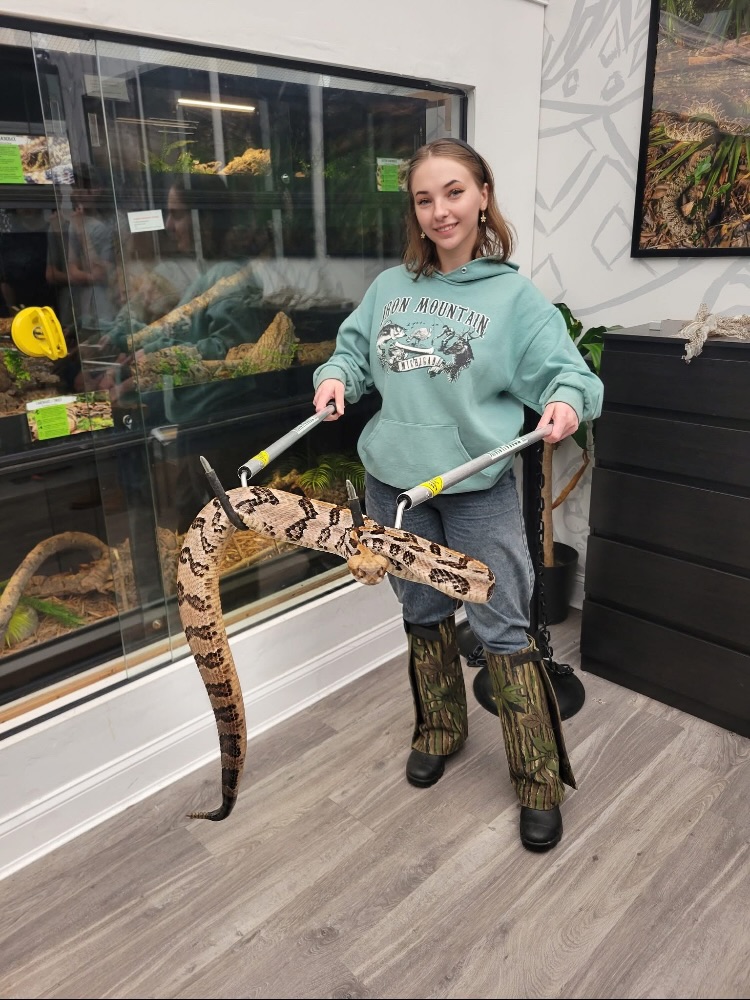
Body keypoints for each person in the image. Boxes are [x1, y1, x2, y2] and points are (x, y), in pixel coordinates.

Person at [312, 137, 603, 852]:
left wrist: (564, 403)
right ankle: (440, 729)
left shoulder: (513, 298)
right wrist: (337, 376)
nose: (439, 211)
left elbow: (571, 376)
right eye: (424, 199)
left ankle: (538, 780)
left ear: (482, 196)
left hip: (475, 488)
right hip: (393, 485)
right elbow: (353, 352)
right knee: (421, 609)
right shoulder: (390, 287)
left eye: (453, 192)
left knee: (503, 626)